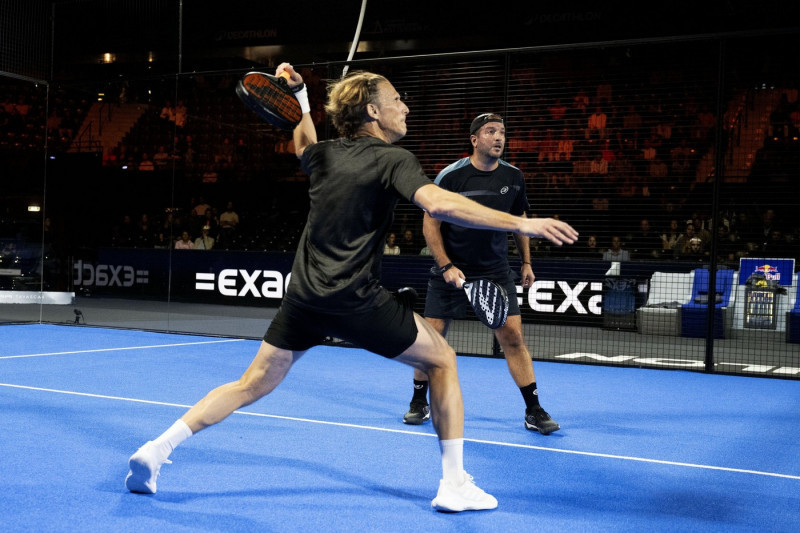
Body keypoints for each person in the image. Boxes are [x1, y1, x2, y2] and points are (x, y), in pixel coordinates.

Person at [125, 63, 578, 512]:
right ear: (372, 112)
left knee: (250, 383)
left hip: (302, 297)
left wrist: (302, 99)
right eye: (396, 99)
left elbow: (303, 143)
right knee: (442, 358)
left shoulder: (323, 156)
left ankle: (157, 448)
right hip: (353, 298)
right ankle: (454, 483)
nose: (405, 106)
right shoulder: (394, 159)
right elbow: (438, 202)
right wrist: (523, 222)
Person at [401, 112, 562, 436]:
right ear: (475, 140)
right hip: (451, 268)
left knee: (513, 338)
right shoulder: (452, 176)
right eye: (491, 131)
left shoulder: (514, 177)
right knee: (431, 339)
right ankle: (419, 401)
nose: (499, 137)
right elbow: (431, 221)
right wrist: (446, 265)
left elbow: (520, 220)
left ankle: (533, 410)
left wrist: (526, 263)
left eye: (502, 131)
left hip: (495, 269)